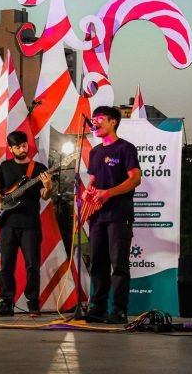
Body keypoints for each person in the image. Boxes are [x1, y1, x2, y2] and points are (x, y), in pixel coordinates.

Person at [81, 106, 141, 324]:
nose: (95, 122)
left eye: (100, 118)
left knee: (119, 264)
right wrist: (88, 192)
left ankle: (118, 309)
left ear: (113, 121)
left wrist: (108, 193)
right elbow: (93, 181)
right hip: (97, 216)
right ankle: (97, 307)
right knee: (98, 263)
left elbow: (135, 179)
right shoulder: (95, 152)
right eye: (94, 119)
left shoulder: (126, 148)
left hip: (119, 214)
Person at [0, 130, 53, 317]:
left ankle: (33, 303)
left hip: (30, 223)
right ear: (11, 149)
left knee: (32, 265)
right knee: (6, 266)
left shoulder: (39, 168)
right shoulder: (5, 166)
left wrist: (48, 187)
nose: (22, 149)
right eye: (18, 147)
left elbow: (45, 196)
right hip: (7, 223)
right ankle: (6, 302)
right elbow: (0, 194)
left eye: (24, 145)